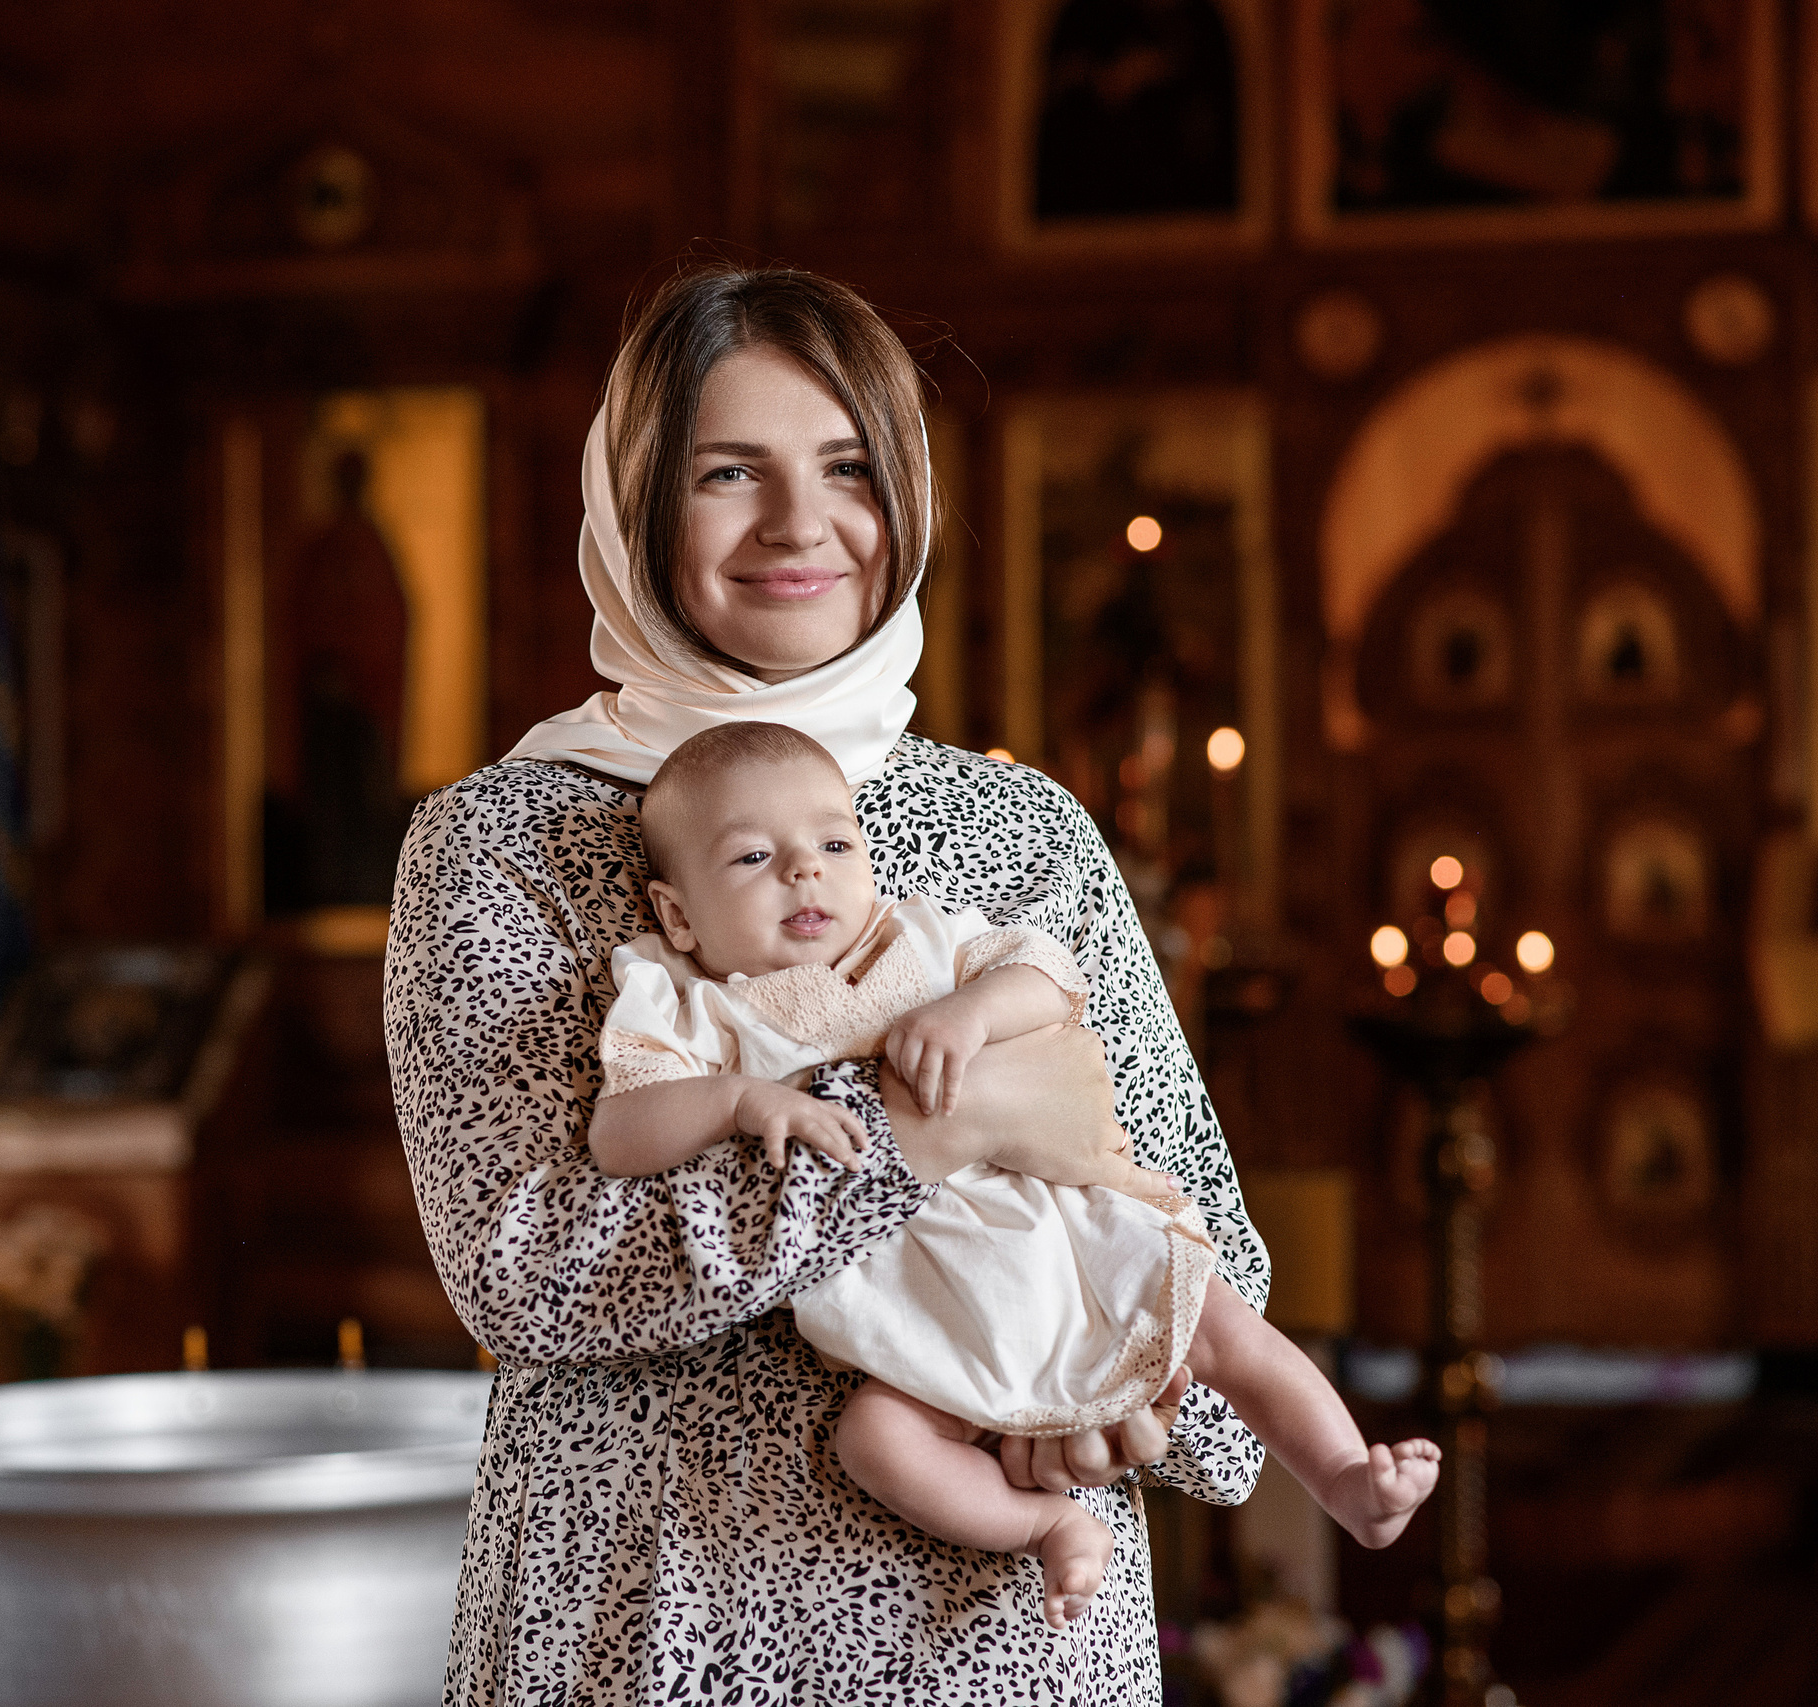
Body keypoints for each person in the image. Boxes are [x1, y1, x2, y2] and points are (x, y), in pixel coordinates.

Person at [385, 265, 1270, 1703]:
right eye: (731, 471)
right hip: (655, 1614)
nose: (802, 525)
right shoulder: (501, 838)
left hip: (999, 1641)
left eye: (850, 466)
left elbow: (1194, 1242)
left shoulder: (1018, 829)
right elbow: (528, 1264)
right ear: (634, 501)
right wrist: (920, 1134)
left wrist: (1132, 1398)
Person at [590, 719, 1440, 1633]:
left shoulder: (919, 938)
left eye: (835, 843)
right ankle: (1045, 1523)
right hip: (912, 1305)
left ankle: (1349, 1479)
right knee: (875, 1439)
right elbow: (619, 1131)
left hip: (1063, 1233)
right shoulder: (689, 1002)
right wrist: (736, 1103)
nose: (806, 870)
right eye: (754, 856)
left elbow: (1050, 974)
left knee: (1226, 1325)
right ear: (678, 915)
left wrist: (971, 1010)